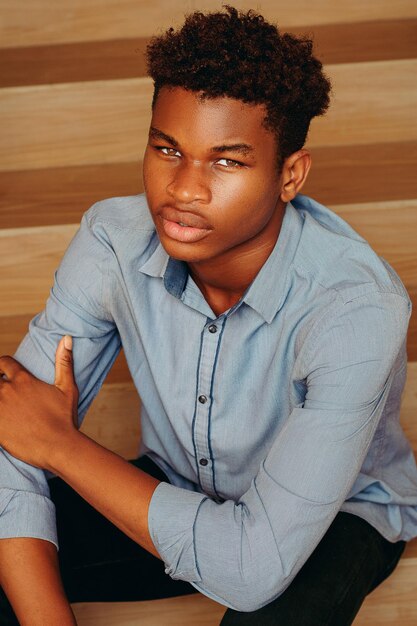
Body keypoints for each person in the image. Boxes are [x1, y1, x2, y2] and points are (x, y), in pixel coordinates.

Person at [0, 6, 416, 625]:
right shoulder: (114, 240)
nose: (184, 189)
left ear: (290, 175)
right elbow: (12, 435)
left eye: (227, 161)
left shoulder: (358, 309)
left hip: (335, 518)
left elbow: (252, 570)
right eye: (168, 149)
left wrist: (59, 446)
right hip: (178, 486)